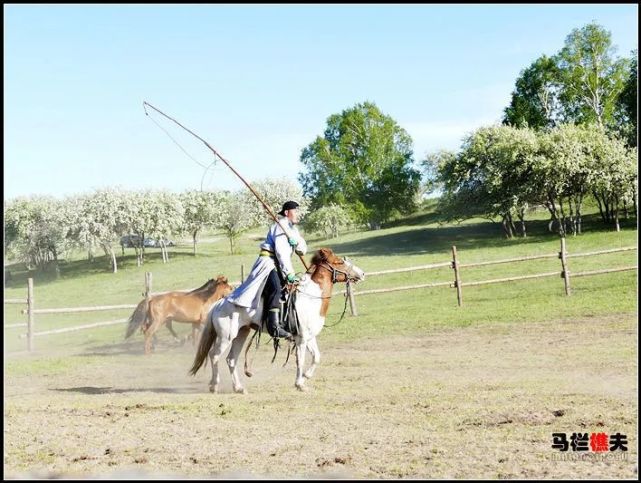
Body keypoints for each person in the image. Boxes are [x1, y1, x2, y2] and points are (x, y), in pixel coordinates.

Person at [226, 200, 307, 340]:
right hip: (268, 262)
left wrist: (297, 243)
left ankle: (286, 321)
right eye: (296, 211)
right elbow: (281, 253)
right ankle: (273, 326)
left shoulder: (293, 230)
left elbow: (302, 250)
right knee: (275, 288)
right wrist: (289, 274)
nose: (298, 214)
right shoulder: (280, 226)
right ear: (287, 213)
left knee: (288, 290)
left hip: (278, 264)